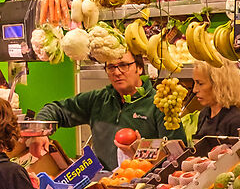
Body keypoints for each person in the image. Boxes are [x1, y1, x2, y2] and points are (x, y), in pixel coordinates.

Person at [31, 52, 165, 170]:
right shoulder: (98, 99)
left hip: (144, 182)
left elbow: (173, 156)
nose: (117, 72)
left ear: (139, 68)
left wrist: (141, 154)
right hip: (102, 182)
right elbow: (56, 109)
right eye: (111, 67)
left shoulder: (158, 104)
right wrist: (40, 132)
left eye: (123, 65)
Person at [186, 59, 240, 143]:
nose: (194, 90)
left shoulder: (236, 121)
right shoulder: (204, 115)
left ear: (218, 84)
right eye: (194, 83)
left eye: (200, 83)